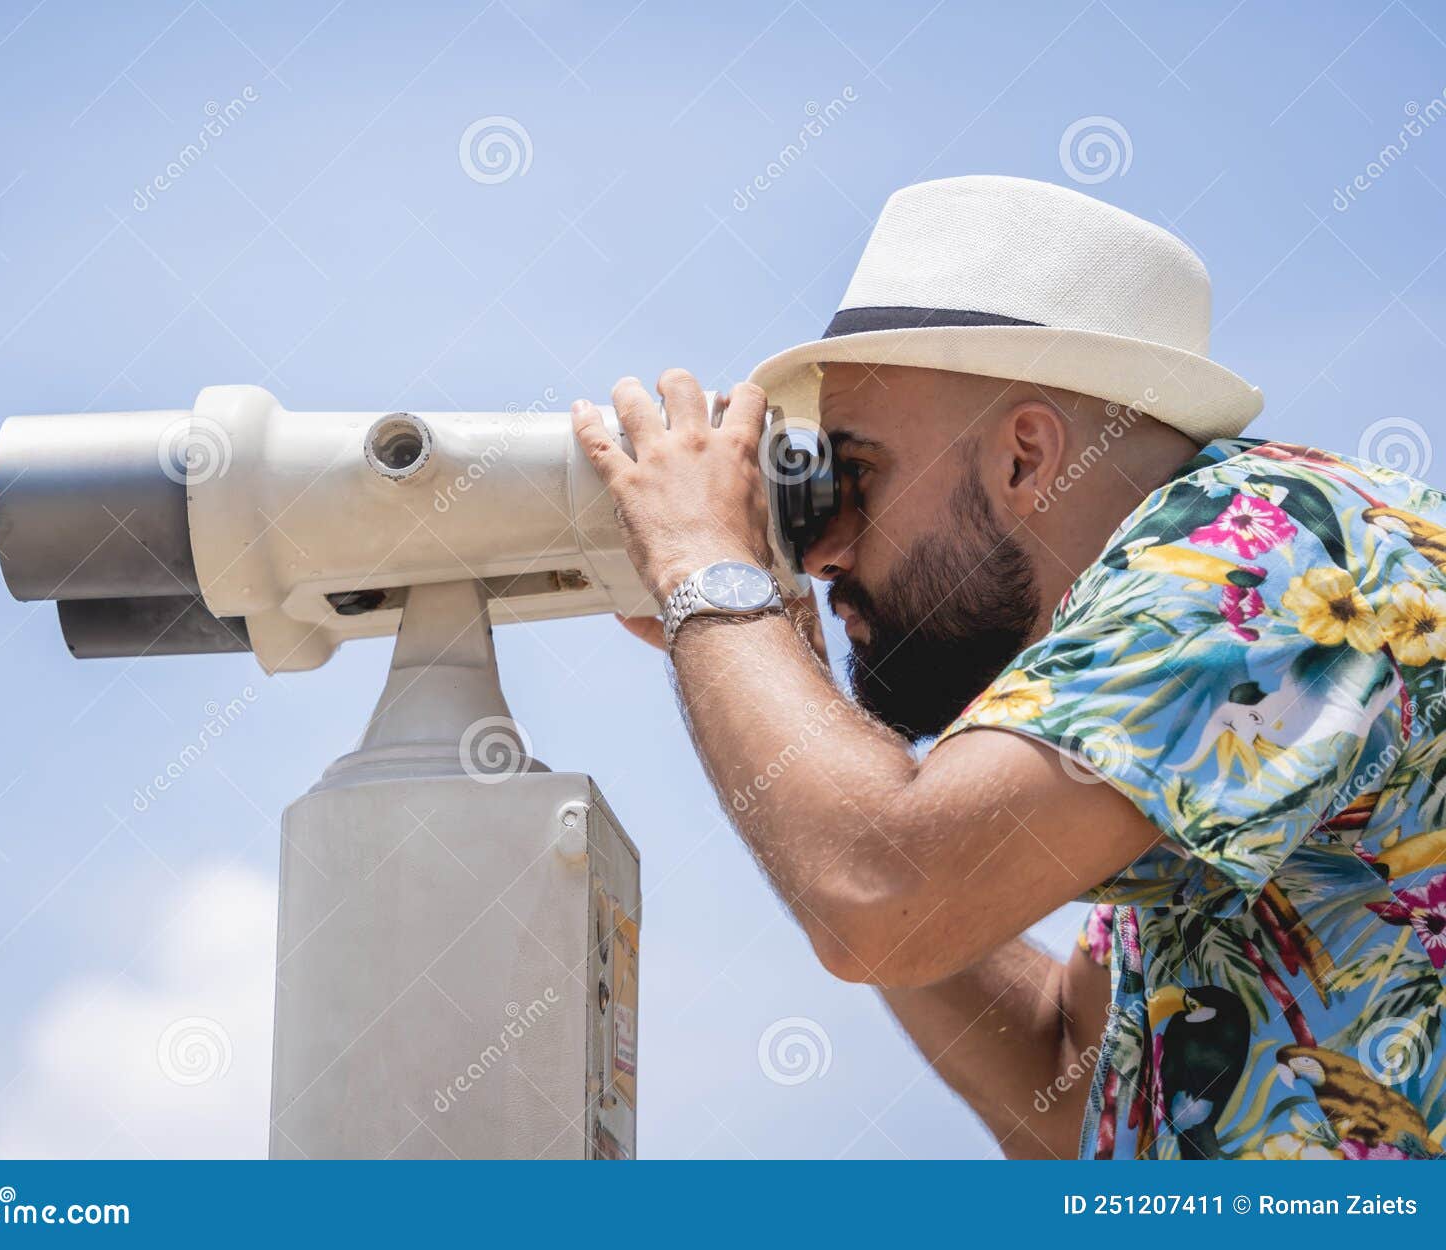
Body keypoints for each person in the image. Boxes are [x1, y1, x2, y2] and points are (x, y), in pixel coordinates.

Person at [570, 175, 1446, 1161]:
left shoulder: (1262, 554)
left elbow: (884, 895)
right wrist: (785, 661)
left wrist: (703, 564)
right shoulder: (1190, 631)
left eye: (857, 474)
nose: (823, 551)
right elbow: (1061, 1086)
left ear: (1026, 457)